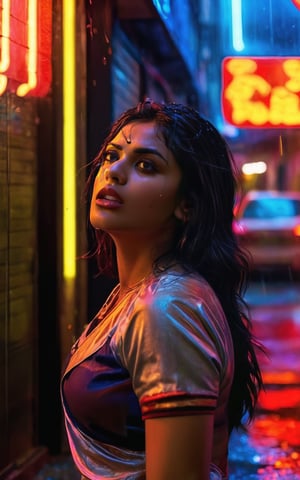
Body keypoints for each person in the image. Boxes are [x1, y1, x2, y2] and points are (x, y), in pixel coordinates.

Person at [61, 99, 263, 480]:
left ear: (186, 204)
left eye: (145, 165)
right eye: (111, 155)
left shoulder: (169, 307)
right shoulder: (136, 292)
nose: (113, 173)